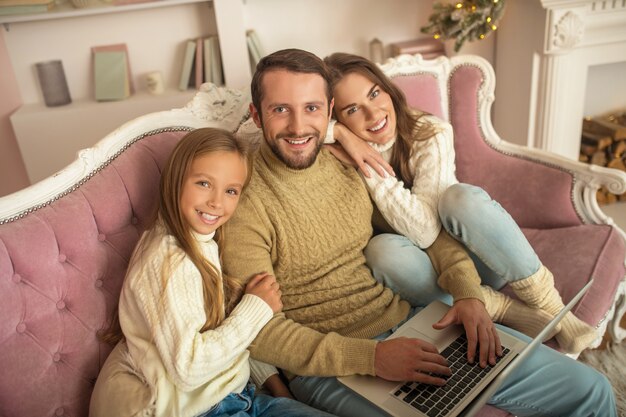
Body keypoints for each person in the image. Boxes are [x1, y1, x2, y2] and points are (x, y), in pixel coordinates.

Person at [222, 48, 617, 417]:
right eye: (280, 110)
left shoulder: (349, 163)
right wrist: (372, 358)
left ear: (329, 115)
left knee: (592, 389)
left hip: (414, 322)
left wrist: (467, 294)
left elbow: (432, 238)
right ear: (257, 117)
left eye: (310, 108)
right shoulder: (240, 200)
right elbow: (258, 331)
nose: (296, 126)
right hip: (331, 367)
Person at [321, 51, 597, 355]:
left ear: (386, 87)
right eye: (352, 110)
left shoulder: (430, 132)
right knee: (382, 251)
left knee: (460, 198)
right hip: (426, 274)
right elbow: (266, 130)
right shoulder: (337, 154)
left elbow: (426, 230)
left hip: (482, 258)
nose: (373, 114)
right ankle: (499, 307)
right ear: (336, 118)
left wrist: (367, 162)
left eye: (374, 93)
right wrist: (340, 136)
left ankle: (555, 311)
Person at [89, 128, 335, 417]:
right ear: (175, 180)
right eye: (204, 183)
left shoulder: (202, 242)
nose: (217, 202)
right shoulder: (170, 262)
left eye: (231, 190)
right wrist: (256, 308)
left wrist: (277, 388)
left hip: (238, 396)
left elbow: (223, 335)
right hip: (201, 410)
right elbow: (189, 369)